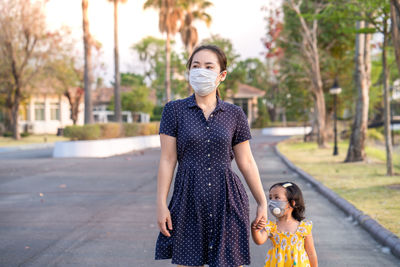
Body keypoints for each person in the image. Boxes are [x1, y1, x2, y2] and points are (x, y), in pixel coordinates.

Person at [154, 44, 268, 267]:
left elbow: (246, 162)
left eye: (208, 66)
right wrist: (161, 204)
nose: (201, 71)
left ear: (221, 75)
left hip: (228, 199)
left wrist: (262, 202)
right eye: (195, 66)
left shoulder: (235, 114)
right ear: (189, 72)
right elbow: (167, 160)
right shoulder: (174, 110)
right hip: (188, 200)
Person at [251, 182, 318, 267]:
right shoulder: (271, 226)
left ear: (292, 203)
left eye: (277, 197)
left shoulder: (303, 228)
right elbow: (259, 240)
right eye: (270, 198)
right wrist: (254, 229)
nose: (272, 202)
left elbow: (311, 253)